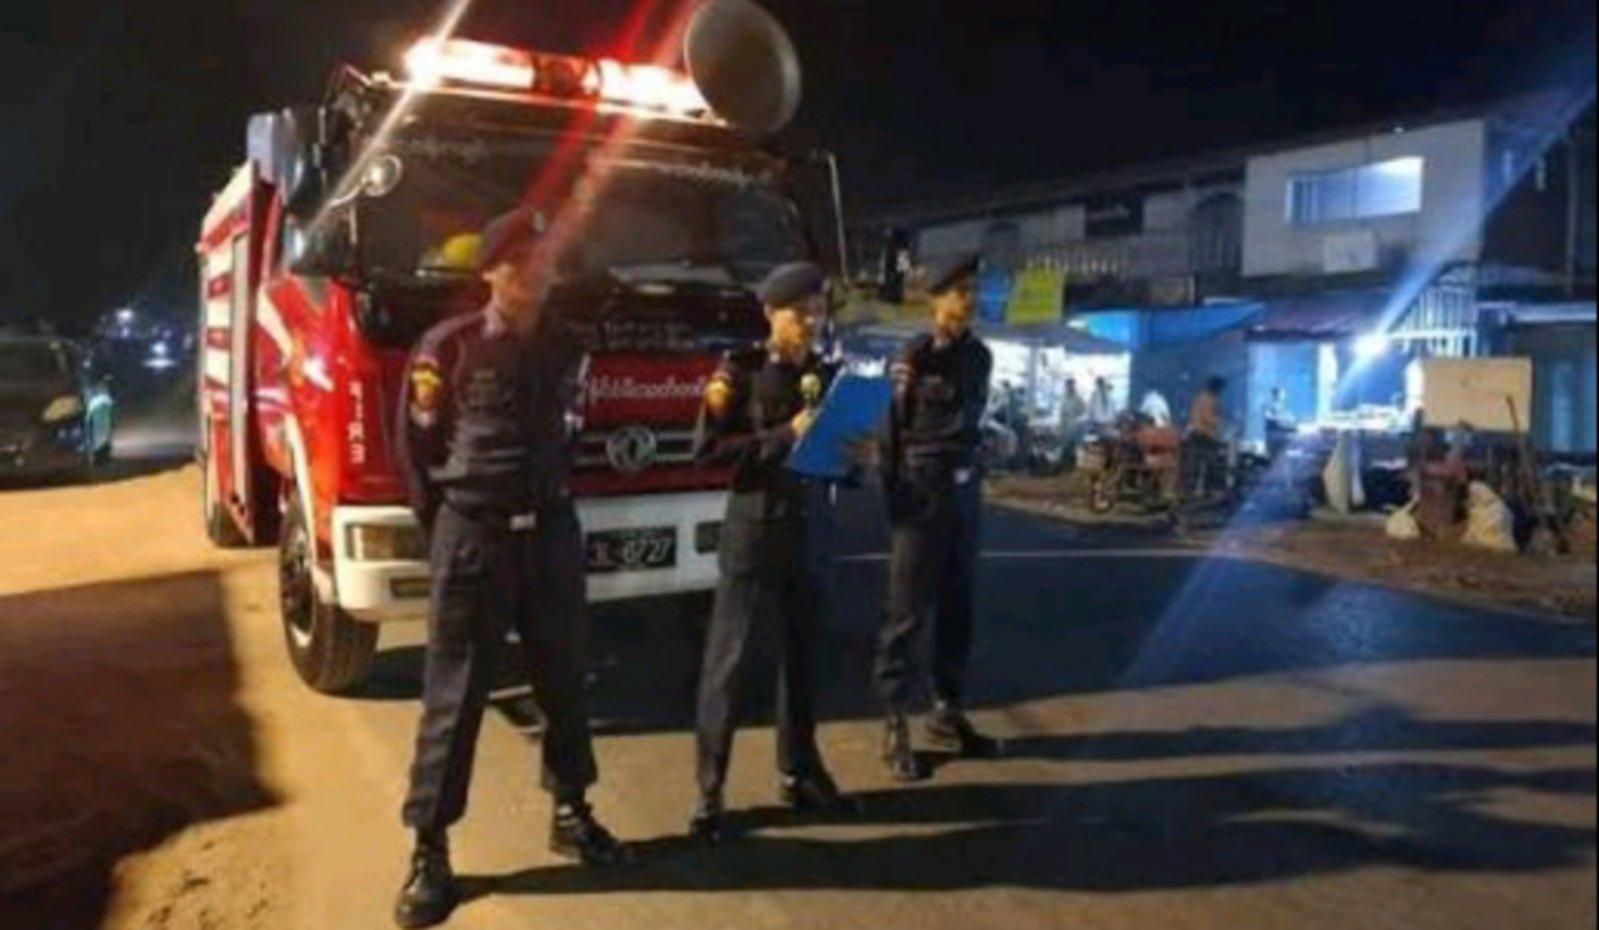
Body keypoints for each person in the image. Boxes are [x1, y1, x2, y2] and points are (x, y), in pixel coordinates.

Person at [392, 206, 623, 930]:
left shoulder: (566, 346)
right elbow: (416, 456)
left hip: (549, 533)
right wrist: (454, 528)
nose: (535, 273)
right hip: (475, 535)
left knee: (565, 678)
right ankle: (430, 851)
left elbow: (573, 434)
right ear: (490, 270)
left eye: (544, 261)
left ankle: (572, 810)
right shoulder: (449, 348)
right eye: (520, 262)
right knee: (455, 695)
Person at [689, 261, 852, 843]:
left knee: (803, 660)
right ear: (769, 313)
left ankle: (800, 770)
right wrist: (786, 435)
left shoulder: (829, 378)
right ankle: (710, 790)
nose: (810, 322)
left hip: (811, 527)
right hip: (755, 528)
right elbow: (708, 451)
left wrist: (855, 453)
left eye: (817, 311)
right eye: (799, 312)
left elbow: (840, 459)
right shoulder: (740, 372)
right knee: (728, 664)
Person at [876, 253, 999, 782]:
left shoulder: (981, 357)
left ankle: (947, 711)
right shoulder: (915, 356)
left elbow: (973, 422)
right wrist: (895, 500)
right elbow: (891, 432)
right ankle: (894, 722)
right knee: (906, 615)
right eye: (959, 292)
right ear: (936, 300)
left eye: (974, 291)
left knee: (958, 608)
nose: (969, 300)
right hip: (921, 494)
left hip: (964, 493)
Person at [1186, 375, 1230, 496]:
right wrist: (1219, 422)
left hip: (1198, 433)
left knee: (1198, 464)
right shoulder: (1210, 399)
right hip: (1204, 434)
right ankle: (1208, 490)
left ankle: (1195, 490)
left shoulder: (1201, 397)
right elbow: (1207, 417)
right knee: (1211, 463)